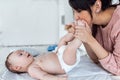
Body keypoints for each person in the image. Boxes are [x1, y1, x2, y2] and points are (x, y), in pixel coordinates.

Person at [67, 0, 120, 76]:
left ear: (97, 6)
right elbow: (95, 58)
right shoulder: (93, 22)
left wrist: (90, 39)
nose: (76, 17)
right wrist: (84, 37)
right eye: (73, 11)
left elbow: (118, 68)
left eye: (79, 11)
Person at [5, 30, 82, 80]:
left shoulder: (35, 58)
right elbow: (44, 76)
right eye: (20, 54)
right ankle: (83, 35)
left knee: (63, 40)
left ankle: (76, 30)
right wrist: (58, 79)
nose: (25, 52)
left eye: (23, 51)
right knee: (70, 48)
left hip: (59, 54)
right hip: (64, 63)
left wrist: (57, 51)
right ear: (17, 67)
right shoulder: (32, 69)